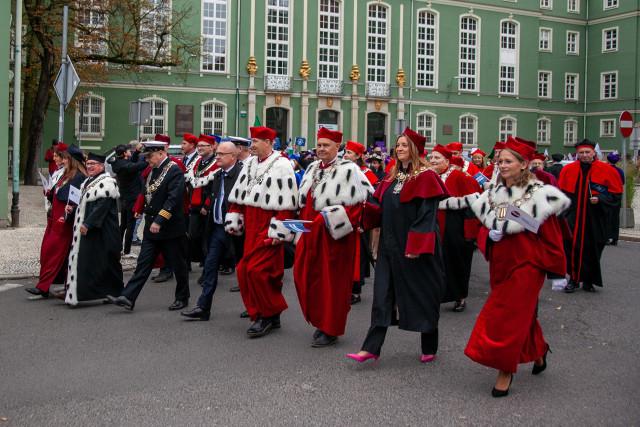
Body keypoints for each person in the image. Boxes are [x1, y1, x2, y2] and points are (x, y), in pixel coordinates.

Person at [465, 137, 570, 397]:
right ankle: (539, 351)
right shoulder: (492, 193)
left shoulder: (539, 194)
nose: (501, 165)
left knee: (505, 316)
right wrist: (487, 237)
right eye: (499, 161)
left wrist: (558, 270)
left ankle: (504, 370)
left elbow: (551, 236)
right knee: (521, 316)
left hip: (528, 265)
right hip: (500, 264)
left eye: (508, 161)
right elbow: (482, 227)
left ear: (524, 164)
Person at [347, 127, 449, 366]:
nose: (399, 148)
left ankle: (429, 344)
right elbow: (377, 204)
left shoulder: (426, 176)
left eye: (404, 145)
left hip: (415, 248)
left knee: (422, 294)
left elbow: (427, 215)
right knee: (382, 294)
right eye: (398, 145)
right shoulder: (391, 176)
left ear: (414, 149)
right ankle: (370, 348)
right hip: (389, 246)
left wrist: (417, 244)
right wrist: (366, 213)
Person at [294, 131, 374, 347]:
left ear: (337, 147)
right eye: (319, 144)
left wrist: (328, 218)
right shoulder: (311, 168)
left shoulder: (349, 170)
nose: (321, 149)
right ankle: (321, 321)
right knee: (310, 279)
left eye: (326, 145)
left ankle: (332, 328)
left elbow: (358, 207)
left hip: (335, 239)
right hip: (311, 235)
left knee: (334, 285)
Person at [225, 126, 298, 337]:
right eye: (252, 141)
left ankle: (264, 316)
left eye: (256, 141)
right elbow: (239, 195)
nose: (252, 145)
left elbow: (286, 203)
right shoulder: (249, 162)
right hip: (251, 225)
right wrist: (235, 216)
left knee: (259, 272)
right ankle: (267, 312)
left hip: (268, 226)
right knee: (244, 270)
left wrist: (279, 230)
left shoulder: (282, 165)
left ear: (269, 143)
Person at [107, 141, 191, 311]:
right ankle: (128, 297)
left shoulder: (174, 169)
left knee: (178, 265)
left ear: (161, 153)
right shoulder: (153, 170)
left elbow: (173, 199)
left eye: (150, 156)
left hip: (170, 228)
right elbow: (147, 191)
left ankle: (182, 297)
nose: (147, 160)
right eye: (146, 157)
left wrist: (159, 221)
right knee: (143, 264)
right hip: (152, 227)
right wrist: (140, 208)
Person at [181, 141, 243, 321]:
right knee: (209, 267)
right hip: (216, 229)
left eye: (221, 154)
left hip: (236, 231)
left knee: (245, 271)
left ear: (233, 156)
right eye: (217, 154)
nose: (217, 157)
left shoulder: (242, 175)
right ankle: (203, 307)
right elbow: (213, 198)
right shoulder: (217, 175)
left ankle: (256, 308)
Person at [559, 140, 623, 292]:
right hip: (574, 217)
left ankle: (588, 280)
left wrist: (600, 199)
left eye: (587, 152)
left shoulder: (607, 170)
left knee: (594, 248)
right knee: (572, 247)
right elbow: (561, 194)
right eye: (581, 153)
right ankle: (573, 279)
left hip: (595, 218)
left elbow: (615, 195)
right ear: (578, 154)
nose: (584, 155)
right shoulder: (568, 170)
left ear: (594, 153)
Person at [61, 153, 123, 305]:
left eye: (93, 164)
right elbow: (85, 205)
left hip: (105, 231)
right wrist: (73, 210)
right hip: (95, 229)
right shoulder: (88, 181)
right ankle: (82, 292)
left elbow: (102, 206)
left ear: (102, 166)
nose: (89, 167)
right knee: (94, 262)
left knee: (108, 261)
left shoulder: (107, 182)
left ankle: (116, 292)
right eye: (88, 164)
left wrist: (88, 223)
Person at [26, 145, 88, 298]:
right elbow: (57, 192)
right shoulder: (65, 175)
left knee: (52, 253)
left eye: (66, 158)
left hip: (64, 223)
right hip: (54, 220)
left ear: (72, 160)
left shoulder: (78, 177)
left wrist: (66, 216)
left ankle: (43, 287)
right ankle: (56, 286)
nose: (63, 160)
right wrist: (49, 193)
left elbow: (76, 202)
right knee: (52, 253)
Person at [429, 144, 481, 312]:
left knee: (457, 262)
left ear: (447, 161)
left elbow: (472, 206)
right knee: (435, 263)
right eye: (431, 158)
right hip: (434, 225)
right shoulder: (429, 176)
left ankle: (460, 297)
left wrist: (470, 232)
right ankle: (436, 295)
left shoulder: (459, 176)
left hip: (455, 226)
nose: (433, 160)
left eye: (437, 158)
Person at [343, 140, 379, 305]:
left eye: (349, 153)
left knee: (358, 257)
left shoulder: (365, 173)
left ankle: (356, 291)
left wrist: (363, 222)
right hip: (345, 220)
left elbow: (372, 200)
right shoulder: (341, 170)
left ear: (358, 156)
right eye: (345, 152)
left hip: (359, 222)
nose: (346, 155)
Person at [185, 134, 219, 266]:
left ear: (211, 147)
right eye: (198, 146)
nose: (200, 148)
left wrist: (207, 205)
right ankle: (200, 258)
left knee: (207, 238)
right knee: (193, 235)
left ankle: (207, 265)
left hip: (207, 206)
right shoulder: (197, 162)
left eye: (203, 146)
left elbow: (216, 187)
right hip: (194, 205)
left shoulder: (216, 163)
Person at [110, 144, 148, 258]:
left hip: (123, 197)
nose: (130, 152)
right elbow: (141, 165)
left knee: (123, 225)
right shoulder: (127, 167)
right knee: (130, 225)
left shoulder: (117, 164)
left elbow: (132, 162)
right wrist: (148, 156)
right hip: (132, 198)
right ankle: (127, 251)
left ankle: (118, 248)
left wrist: (137, 151)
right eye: (129, 151)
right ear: (125, 153)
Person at [605, 153, 625, 246]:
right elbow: (623, 182)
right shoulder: (620, 171)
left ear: (608, 160)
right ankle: (615, 237)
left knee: (606, 215)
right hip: (618, 193)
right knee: (615, 216)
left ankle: (606, 237)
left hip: (608, 193)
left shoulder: (606, 169)